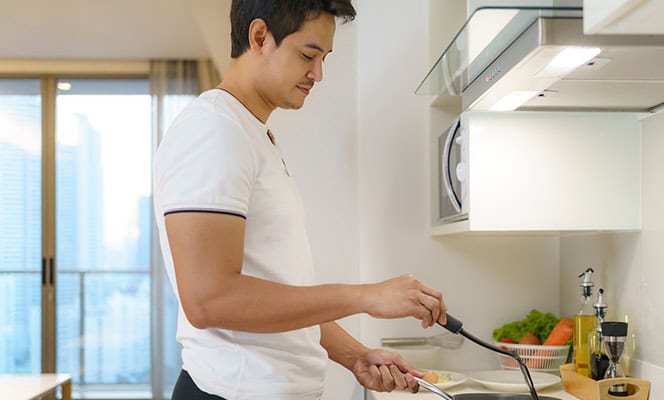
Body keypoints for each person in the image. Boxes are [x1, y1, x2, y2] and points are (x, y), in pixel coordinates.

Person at [152, 1, 448, 399]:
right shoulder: (214, 130)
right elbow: (209, 298)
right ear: (259, 37)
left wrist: (356, 356)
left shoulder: (251, 134)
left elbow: (275, 292)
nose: (318, 73)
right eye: (308, 54)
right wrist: (365, 296)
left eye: (324, 58)